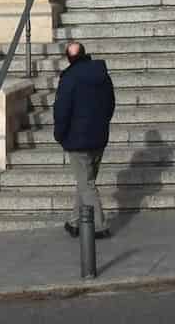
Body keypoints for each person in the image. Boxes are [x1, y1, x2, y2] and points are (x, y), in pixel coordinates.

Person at [53, 39, 115, 241]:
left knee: (86, 183)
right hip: (99, 136)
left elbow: (61, 110)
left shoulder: (69, 78)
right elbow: (110, 104)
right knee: (86, 181)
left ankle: (99, 226)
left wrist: (60, 134)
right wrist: (102, 124)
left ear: (69, 58)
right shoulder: (102, 74)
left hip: (77, 139)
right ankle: (75, 221)